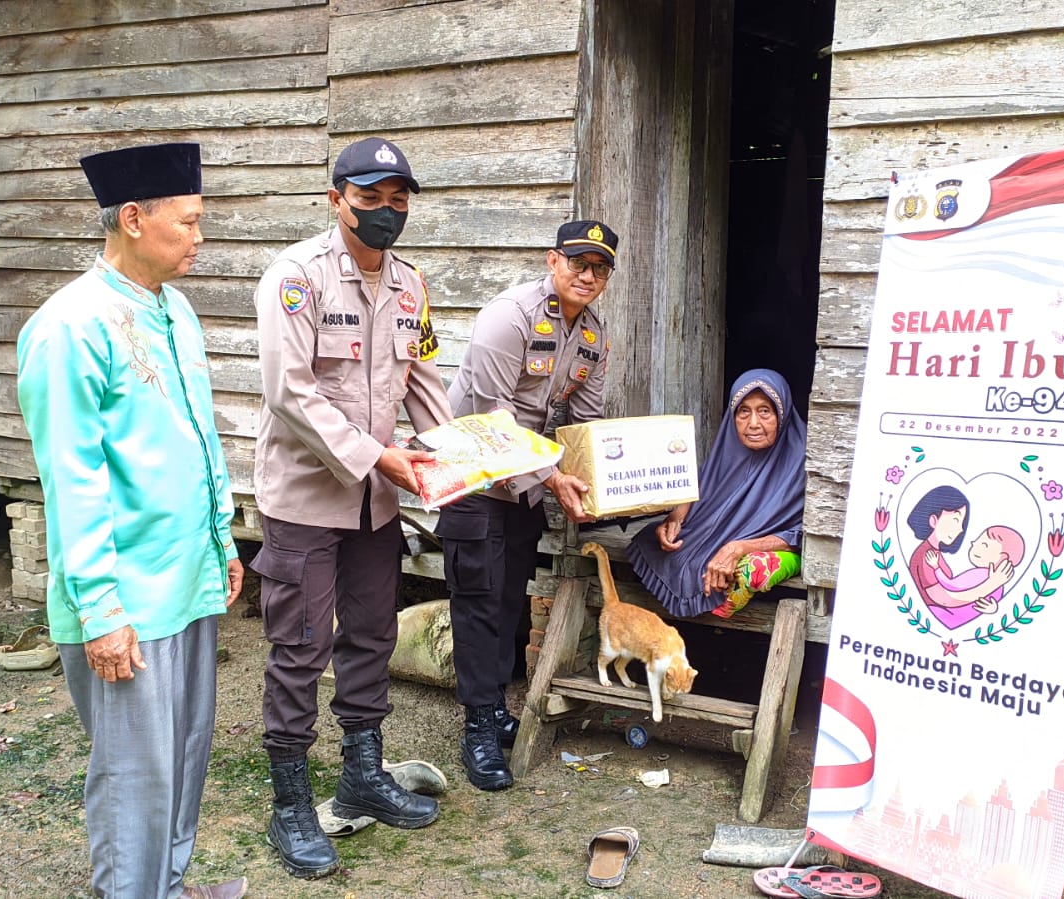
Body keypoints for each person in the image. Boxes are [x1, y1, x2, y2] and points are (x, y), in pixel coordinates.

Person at [16, 142, 247, 899]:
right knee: (132, 776)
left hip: (186, 577)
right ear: (134, 218)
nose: (199, 238)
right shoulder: (69, 327)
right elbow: (72, 479)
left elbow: (196, 433)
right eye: (189, 223)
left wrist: (223, 535)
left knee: (184, 754)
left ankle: (169, 887)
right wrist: (102, 609)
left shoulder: (173, 309)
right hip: (125, 595)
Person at [252, 137, 452, 879]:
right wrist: (379, 456)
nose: (386, 210)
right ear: (336, 199)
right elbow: (290, 392)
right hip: (307, 498)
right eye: (370, 196)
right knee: (301, 646)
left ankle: (363, 774)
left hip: (375, 502)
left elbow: (424, 383)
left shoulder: (409, 285)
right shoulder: (296, 279)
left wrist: (463, 453)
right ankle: (291, 802)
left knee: (369, 635)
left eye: (399, 197)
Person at [439, 220, 617, 790]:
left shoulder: (592, 335)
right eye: (578, 263)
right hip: (473, 473)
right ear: (552, 261)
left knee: (510, 599)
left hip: (525, 482)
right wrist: (554, 476)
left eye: (600, 268)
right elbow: (490, 419)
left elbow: (581, 423)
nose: (588, 276)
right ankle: (476, 730)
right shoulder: (508, 317)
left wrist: (589, 479)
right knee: (478, 601)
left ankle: (492, 710)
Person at [629, 369, 808, 619]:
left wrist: (739, 547)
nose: (753, 423)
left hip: (767, 545)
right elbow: (702, 484)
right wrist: (675, 519)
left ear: (782, 414)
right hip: (713, 536)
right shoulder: (730, 449)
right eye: (743, 411)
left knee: (744, 567)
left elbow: (802, 535)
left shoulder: (804, 463)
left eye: (764, 411)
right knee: (657, 542)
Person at [904, 486, 1013, 626]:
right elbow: (944, 599)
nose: (961, 529)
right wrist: (992, 584)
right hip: (937, 616)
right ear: (933, 520)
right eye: (956, 520)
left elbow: (956, 589)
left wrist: (993, 607)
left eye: (962, 523)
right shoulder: (926, 555)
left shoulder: (935, 554)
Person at [923, 525, 1024, 628]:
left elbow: (950, 586)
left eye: (984, 545)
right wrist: (993, 609)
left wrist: (936, 567)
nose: (974, 543)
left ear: (1002, 558)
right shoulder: (999, 585)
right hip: (962, 620)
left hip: (948, 615)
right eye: (977, 541)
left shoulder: (980, 575)